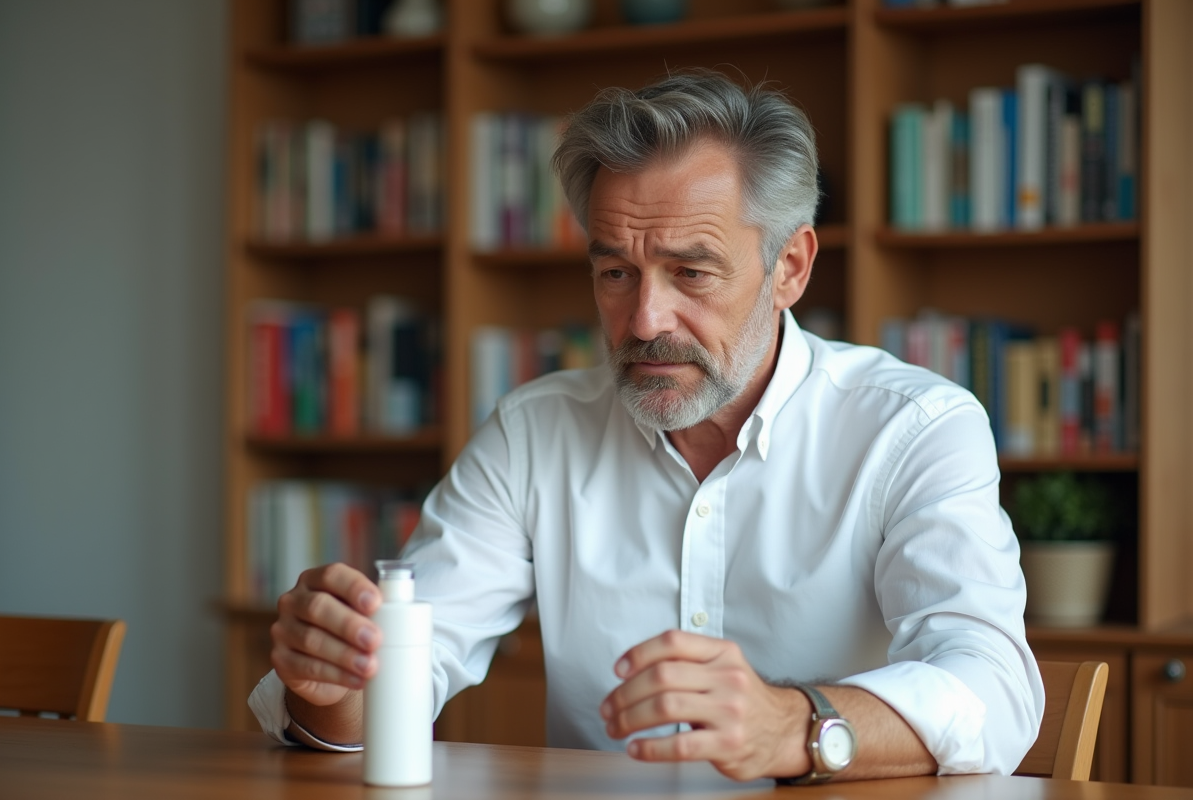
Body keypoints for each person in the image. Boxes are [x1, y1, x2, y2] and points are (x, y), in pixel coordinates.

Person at [249, 69, 1043, 783]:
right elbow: (392, 686)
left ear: (790, 267)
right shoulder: (536, 432)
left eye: (691, 272)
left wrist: (794, 729)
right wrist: (333, 689)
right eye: (615, 273)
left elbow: (993, 688)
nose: (644, 319)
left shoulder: (913, 429)